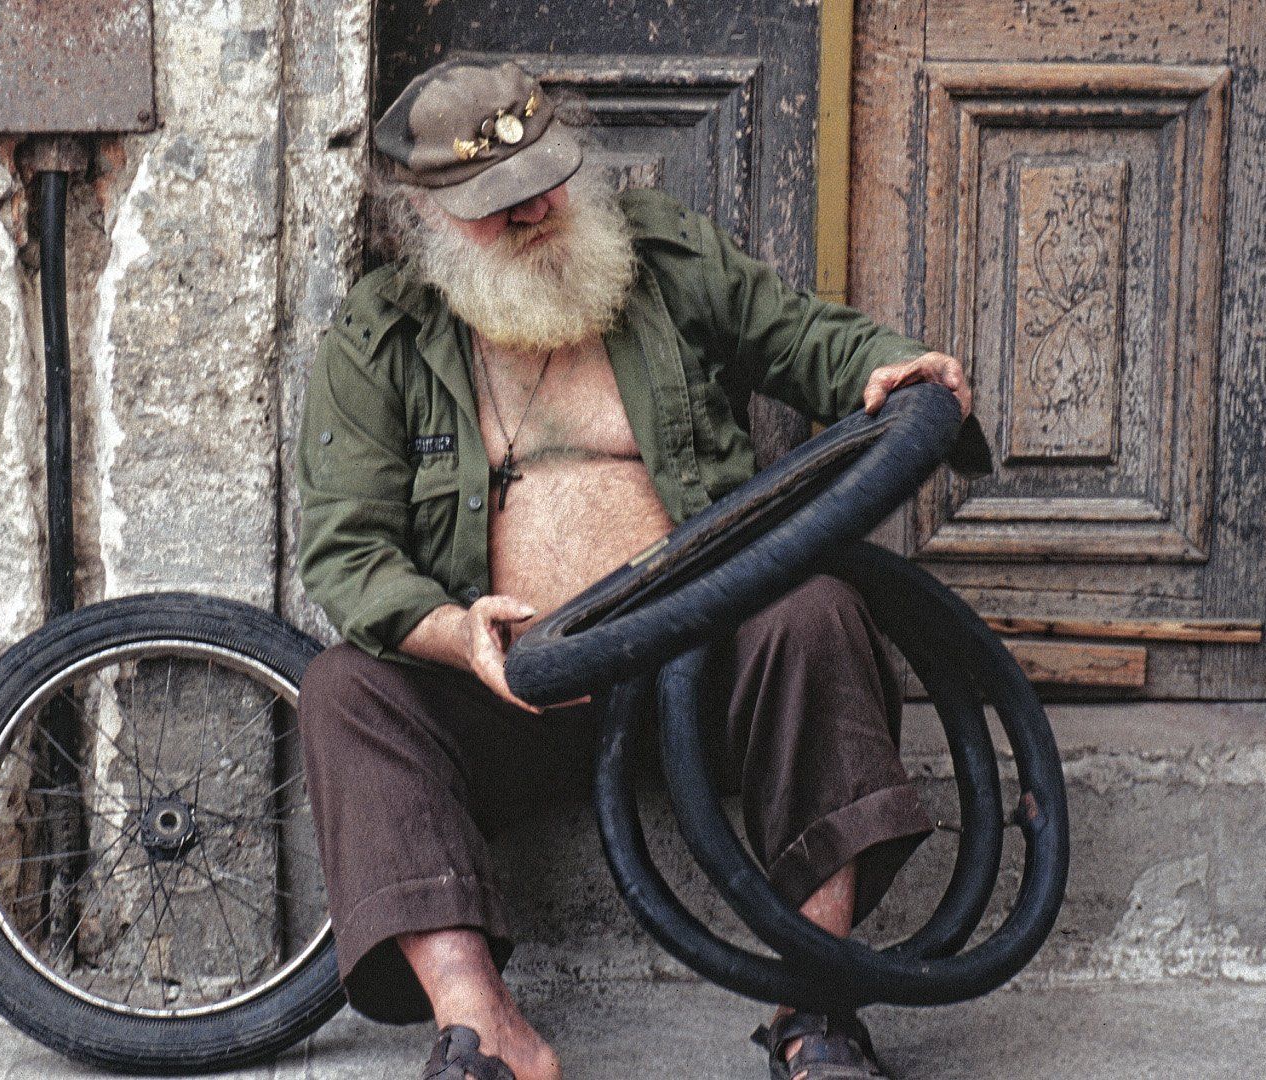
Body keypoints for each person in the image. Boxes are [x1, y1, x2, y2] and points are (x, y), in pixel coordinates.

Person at [293, 58, 975, 1080]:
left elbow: (804, 338)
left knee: (818, 611)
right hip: (510, 697)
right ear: (424, 215)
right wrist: (454, 633)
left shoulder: (659, 256)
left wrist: (889, 367)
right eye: (496, 203)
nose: (534, 212)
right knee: (344, 689)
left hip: (702, 672)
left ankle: (816, 1006)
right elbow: (347, 551)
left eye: (544, 182)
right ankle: (483, 1032)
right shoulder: (379, 338)